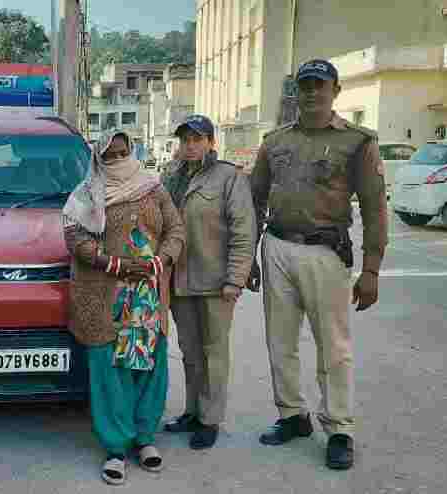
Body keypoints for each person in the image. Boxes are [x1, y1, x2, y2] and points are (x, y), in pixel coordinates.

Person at [249, 59, 388, 470]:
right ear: (296, 91)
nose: (311, 92)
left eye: (319, 85)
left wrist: (372, 269)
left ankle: (339, 428)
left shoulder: (357, 142)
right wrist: (249, 256)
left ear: (335, 91)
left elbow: (375, 208)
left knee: (333, 347)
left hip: (326, 253)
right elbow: (254, 199)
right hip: (277, 247)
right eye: (305, 85)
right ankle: (293, 415)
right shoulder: (275, 142)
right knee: (280, 343)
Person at [63, 129, 185, 485]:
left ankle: (145, 439)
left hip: (147, 295)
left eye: (122, 153)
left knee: (149, 366)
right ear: (98, 158)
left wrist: (160, 261)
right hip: (106, 296)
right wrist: (114, 264)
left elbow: (176, 230)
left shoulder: (153, 188)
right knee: (109, 372)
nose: (117, 160)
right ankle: (115, 447)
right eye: (110, 155)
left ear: (132, 152)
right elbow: (74, 237)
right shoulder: (87, 193)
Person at [160, 115, 257, 450]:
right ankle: (192, 411)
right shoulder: (171, 176)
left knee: (213, 353)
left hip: (215, 281)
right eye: (185, 140)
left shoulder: (229, 177)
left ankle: (210, 418)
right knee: (189, 351)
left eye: (197, 139)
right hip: (179, 280)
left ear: (211, 142)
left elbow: (244, 232)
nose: (190, 146)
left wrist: (235, 279)